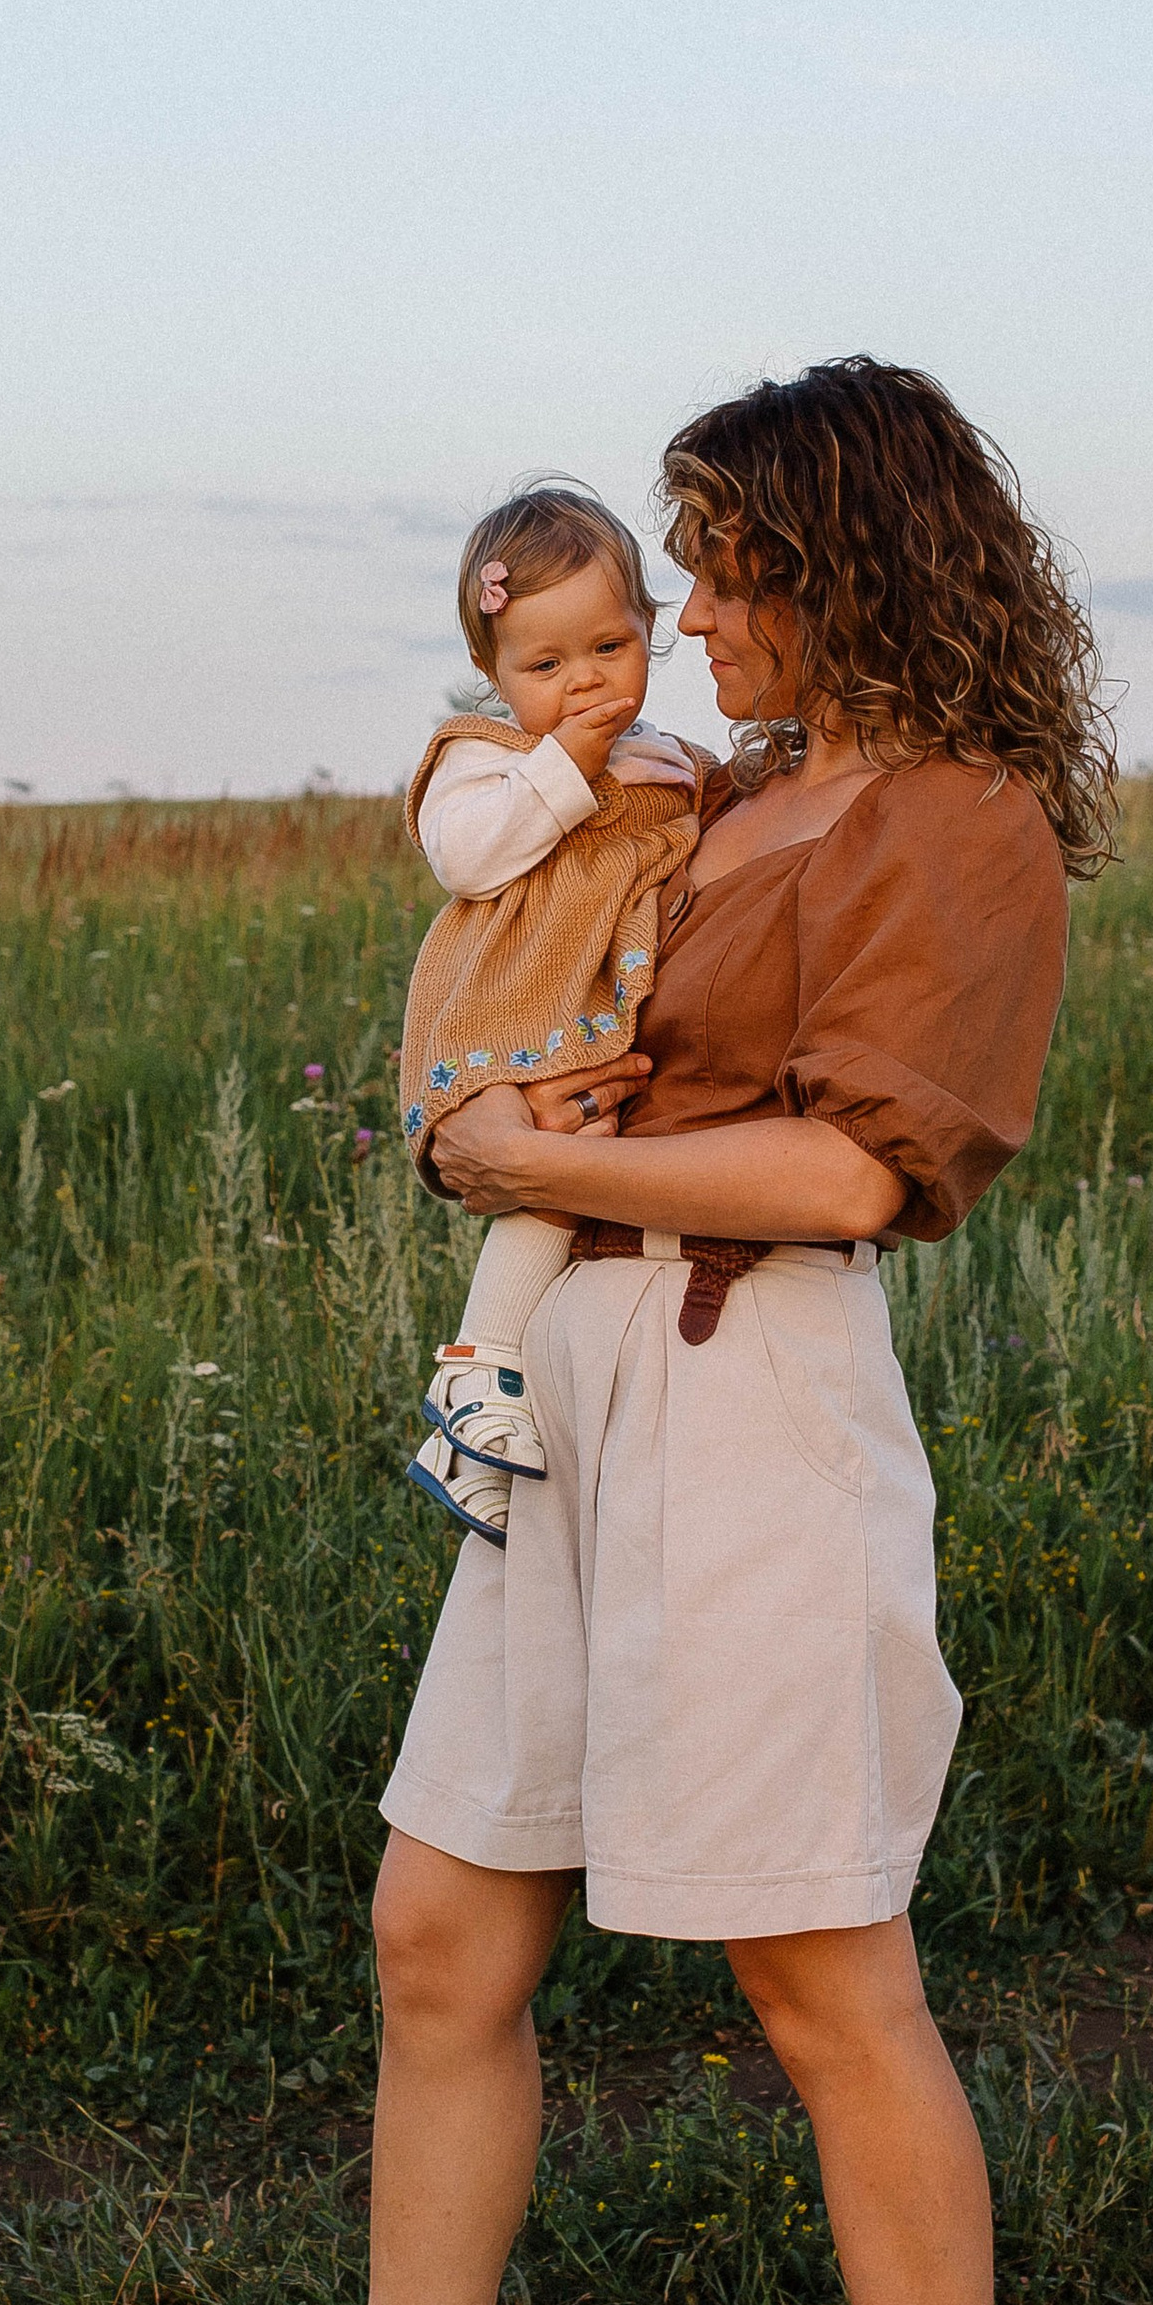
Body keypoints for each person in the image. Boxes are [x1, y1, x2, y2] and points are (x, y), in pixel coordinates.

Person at [127, 357, 1112, 2305]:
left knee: (811, 1968)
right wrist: (540, 1099)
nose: (677, 604)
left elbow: (852, 1175)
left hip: (749, 1399)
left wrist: (547, 1163)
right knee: (440, 1920)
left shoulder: (954, 820)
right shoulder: (740, 793)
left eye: (714, 559)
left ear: (832, 559)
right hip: (573, 1387)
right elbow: (577, 983)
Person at [397, 481, 702, 1544]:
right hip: (503, 1008)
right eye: (543, 667)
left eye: (608, 649)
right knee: (543, 1162)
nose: (583, 684)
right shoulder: (479, 759)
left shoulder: (661, 755)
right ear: (492, 676)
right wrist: (565, 763)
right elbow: (468, 855)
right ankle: (475, 1368)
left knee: (573, 1168)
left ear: (650, 635)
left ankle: (472, 1419)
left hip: (585, 1015)